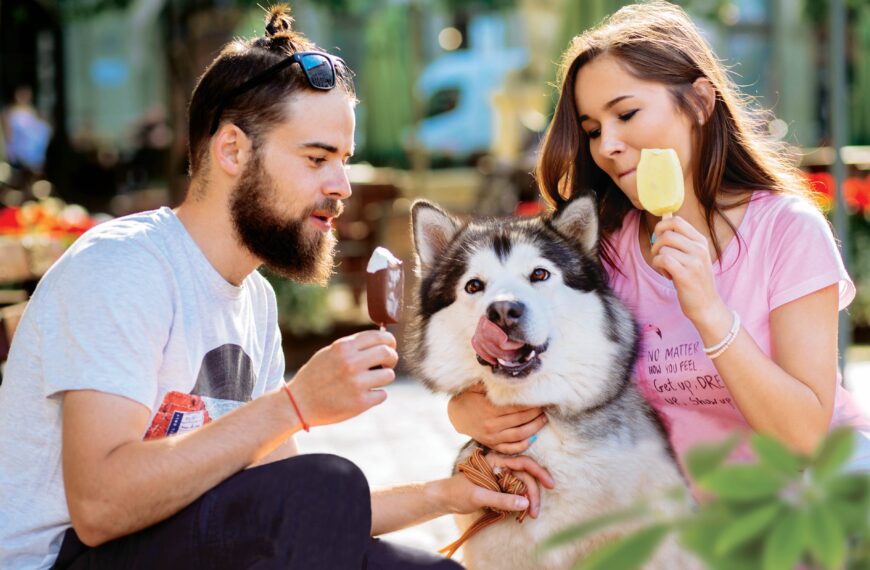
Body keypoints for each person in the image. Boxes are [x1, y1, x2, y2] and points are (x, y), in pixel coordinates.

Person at [0, 6, 554, 569]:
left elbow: (285, 507)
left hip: (186, 547)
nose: (340, 187)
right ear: (233, 150)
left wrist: (447, 493)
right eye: (317, 159)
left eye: (343, 161)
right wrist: (295, 404)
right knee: (321, 482)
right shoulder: (124, 267)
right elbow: (98, 506)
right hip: (64, 561)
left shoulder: (254, 300)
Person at [447, 1, 870, 480]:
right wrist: (464, 411)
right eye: (592, 130)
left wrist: (710, 314)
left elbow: (806, 438)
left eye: (626, 114)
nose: (607, 145)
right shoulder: (603, 253)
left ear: (700, 103)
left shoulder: (787, 230)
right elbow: (500, 380)